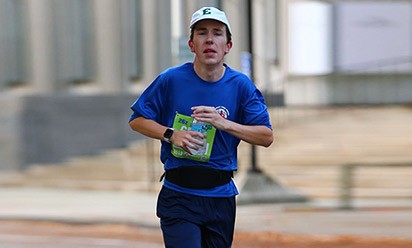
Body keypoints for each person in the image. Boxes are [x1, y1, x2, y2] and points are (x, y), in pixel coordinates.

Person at [129, 6, 273, 248]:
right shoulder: (170, 80)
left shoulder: (241, 85)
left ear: (228, 45)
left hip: (221, 196)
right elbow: (137, 120)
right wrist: (171, 134)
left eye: (217, 33)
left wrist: (223, 123)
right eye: (202, 33)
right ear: (191, 44)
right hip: (179, 194)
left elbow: (266, 136)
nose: (209, 39)